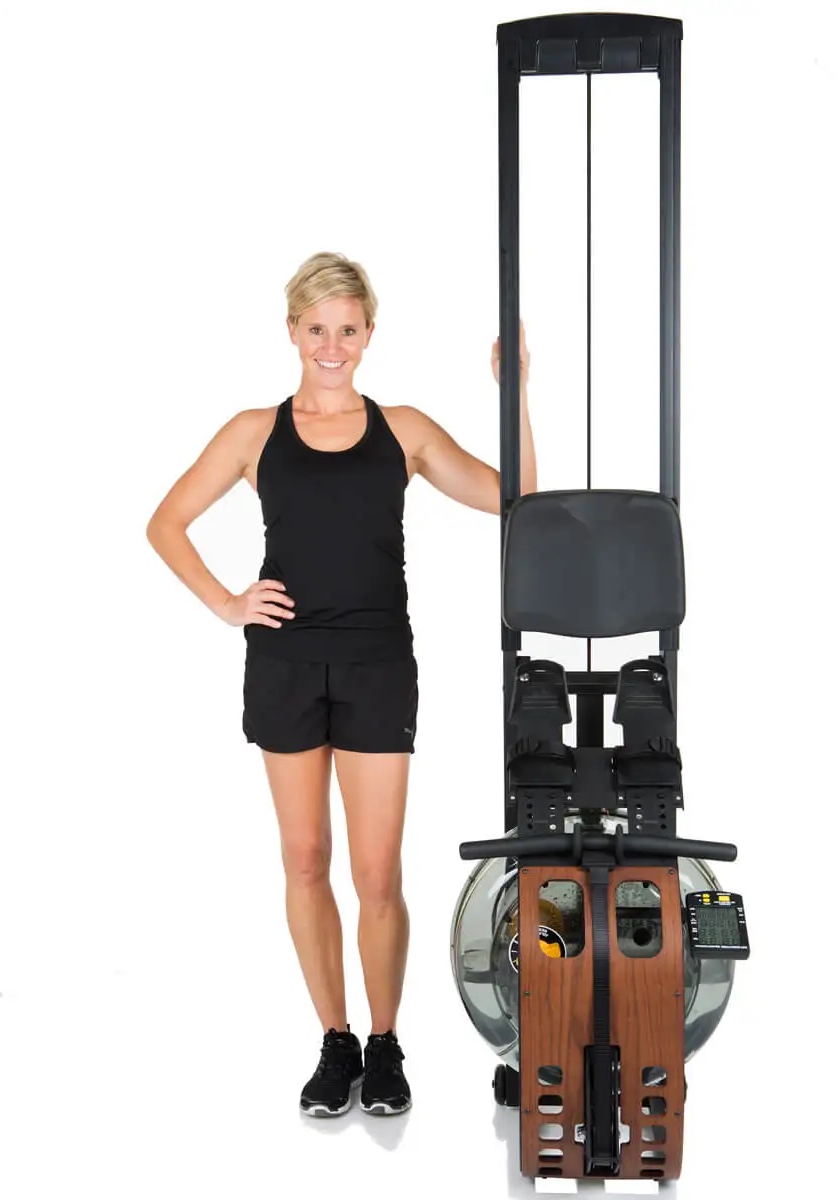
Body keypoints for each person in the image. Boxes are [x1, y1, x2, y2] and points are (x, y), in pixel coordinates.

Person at [146, 250, 536, 1118]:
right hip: (285, 664)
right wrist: (227, 602)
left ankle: (386, 1044)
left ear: (369, 333)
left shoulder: (404, 429)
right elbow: (165, 522)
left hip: (376, 664)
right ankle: (336, 1041)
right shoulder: (254, 432)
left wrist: (512, 391)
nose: (332, 345)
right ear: (293, 330)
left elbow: (518, 496)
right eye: (317, 328)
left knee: (376, 871)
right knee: (304, 859)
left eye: (347, 329)